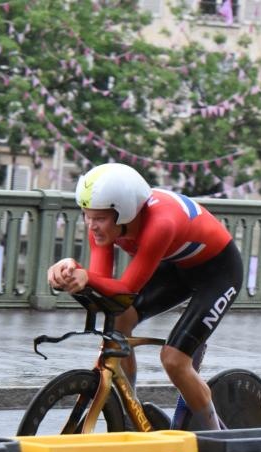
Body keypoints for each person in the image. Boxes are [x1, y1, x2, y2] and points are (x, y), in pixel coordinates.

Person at [46, 163, 243, 430]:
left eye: (99, 218)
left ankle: (219, 441)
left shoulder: (160, 223)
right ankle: (131, 417)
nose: (91, 226)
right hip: (176, 266)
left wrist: (86, 277)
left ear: (124, 213)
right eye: (86, 216)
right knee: (119, 319)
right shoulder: (104, 225)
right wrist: (68, 272)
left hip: (218, 272)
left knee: (173, 360)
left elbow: (125, 288)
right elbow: (104, 286)